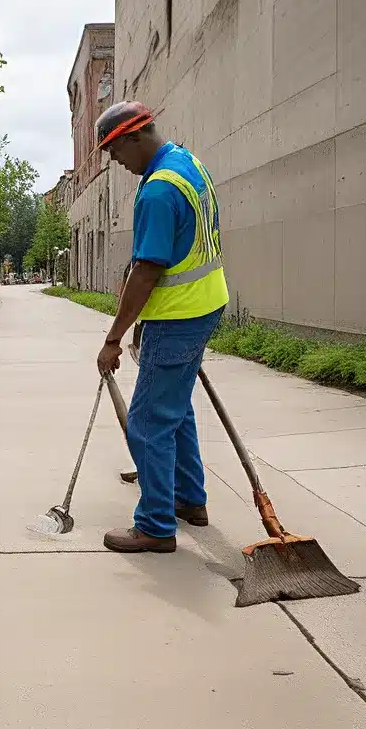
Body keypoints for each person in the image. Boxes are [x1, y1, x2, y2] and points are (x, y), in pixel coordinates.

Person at [95, 102, 229, 553]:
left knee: (149, 422)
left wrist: (113, 337)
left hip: (179, 316)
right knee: (176, 408)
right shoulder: (186, 162)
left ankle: (154, 525)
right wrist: (140, 325)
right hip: (203, 306)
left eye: (115, 152)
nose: (116, 162)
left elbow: (147, 270)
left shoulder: (156, 191)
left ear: (135, 137)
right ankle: (189, 500)